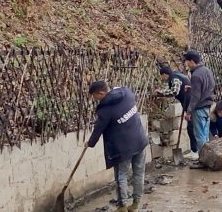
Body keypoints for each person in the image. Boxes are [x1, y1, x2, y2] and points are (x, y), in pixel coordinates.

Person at [85, 81, 149, 212]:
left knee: (122, 175)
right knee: (139, 173)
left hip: (123, 148)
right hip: (140, 140)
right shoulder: (127, 93)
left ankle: (123, 206)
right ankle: (136, 204)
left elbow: (98, 129)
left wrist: (90, 143)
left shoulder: (105, 110)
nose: (95, 99)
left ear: (101, 93)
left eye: (94, 96)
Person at [157, 66, 199, 161]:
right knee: (192, 127)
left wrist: (162, 93)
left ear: (164, 74)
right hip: (190, 103)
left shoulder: (174, 78)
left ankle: (196, 151)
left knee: (191, 128)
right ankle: (195, 150)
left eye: (161, 76)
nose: (162, 78)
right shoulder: (178, 74)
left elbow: (175, 91)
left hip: (190, 105)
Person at [184, 50, 215, 153]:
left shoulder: (196, 75)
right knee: (205, 134)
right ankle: (208, 156)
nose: (187, 64)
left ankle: (203, 158)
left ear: (192, 61)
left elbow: (196, 97)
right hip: (208, 106)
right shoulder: (207, 71)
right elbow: (207, 88)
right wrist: (192, 88)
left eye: (187, 61)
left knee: (199, 135)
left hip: (199, 108)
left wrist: (188, 112)